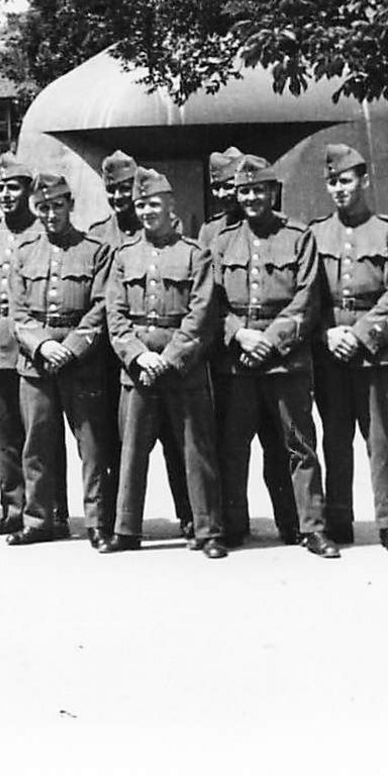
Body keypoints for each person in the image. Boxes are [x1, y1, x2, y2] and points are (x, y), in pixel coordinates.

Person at [211, 156, 341, 558]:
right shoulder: (223, 241)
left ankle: (309, 527)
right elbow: (211, 303)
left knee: (298, 446)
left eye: (259, 190)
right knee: (233, 447)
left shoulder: (299, 237)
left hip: (287, 362)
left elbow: (307, 300)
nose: (251, 197)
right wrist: (239, 335)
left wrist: (269, 339)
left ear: (272, 192)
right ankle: (233, 525)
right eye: (244, 190)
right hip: (239, 362)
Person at [100, 168, 228, 558]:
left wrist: (170, 358)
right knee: (132, 451)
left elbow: (201, 314)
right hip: (137, 369)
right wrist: (139, 356)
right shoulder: (124, 256)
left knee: (195, 450)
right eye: (141, 204)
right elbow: (115, 314)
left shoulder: (194, 254)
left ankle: (207, 530)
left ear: (171, 205)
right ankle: (126, 529)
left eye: (154, 203)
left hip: (183, 369)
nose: (146, 211)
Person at [310, 144, 388, 554]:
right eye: (332, 182)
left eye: (346, 180)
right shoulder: (316, 233)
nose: (339, 189)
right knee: (334, 437)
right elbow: (308, 295)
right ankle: (339, 519)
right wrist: (327, 333)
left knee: (379, 439)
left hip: (374, 353)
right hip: (331, 351)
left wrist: (361, 333)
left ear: (363, 180)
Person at [6, 171, 117, 548]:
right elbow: (18, 314)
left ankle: (98, 523)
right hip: (36, 363)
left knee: (92, 445)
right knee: (37, 444)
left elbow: (101, 306)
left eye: (56, 206)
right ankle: (39, 520)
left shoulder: (96, 250)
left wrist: (70, 347)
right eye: (43, 208)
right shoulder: (23, 252)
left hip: (81, 362)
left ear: (71, 205)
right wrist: (42, 346)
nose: (50, 214)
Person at [89, 150, 193, 539]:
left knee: (176, 441)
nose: (119, 198)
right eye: (111, 191)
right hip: (110, 357)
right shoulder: (99, 234)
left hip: (161, 354)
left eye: (125, 190)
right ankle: (119, 523)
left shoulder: (165, 230)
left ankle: (189, 515)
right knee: (118, 445)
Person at [0, 152, 49, 536]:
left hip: (34, 343)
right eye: (0, 188)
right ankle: (13, 507)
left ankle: (46, 509)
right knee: (5, 434)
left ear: (30, 190)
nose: (6, 195)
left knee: (38, 433)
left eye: (14, 187)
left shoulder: (44, 233)